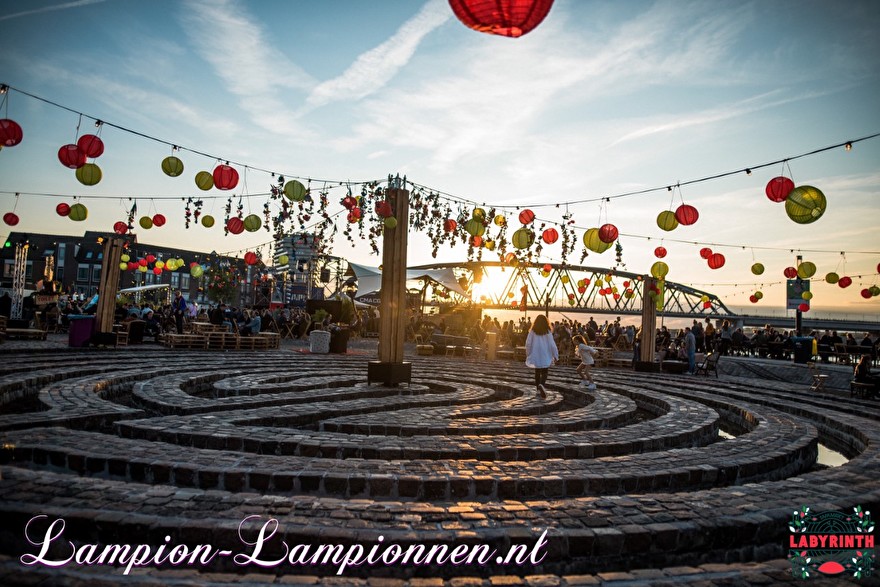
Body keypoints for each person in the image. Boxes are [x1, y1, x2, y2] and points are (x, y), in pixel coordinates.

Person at [525, 314, 558, 399]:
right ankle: (542, 385)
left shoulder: (532, 331)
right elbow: (552, 344)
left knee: (537, 371)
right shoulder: (548, 331)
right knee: (545, 371)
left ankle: (538, 389)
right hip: (545, 354)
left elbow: (528, 343)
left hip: (536, 353)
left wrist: (528, 353)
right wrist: (556, 355)